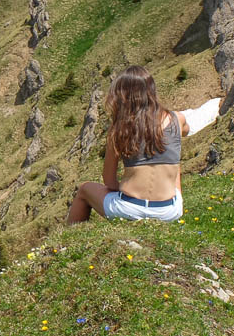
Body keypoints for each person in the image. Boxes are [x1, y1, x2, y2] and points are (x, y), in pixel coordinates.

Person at [67, 66, 214, 223]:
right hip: (169, 212)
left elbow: (109, 181)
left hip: (128, 209)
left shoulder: (119, 128)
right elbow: (186, 129)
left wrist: (127, 188)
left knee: (84, 189)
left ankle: (70, 234)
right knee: (174, 163)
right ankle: (168, 201)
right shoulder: (177, 119)